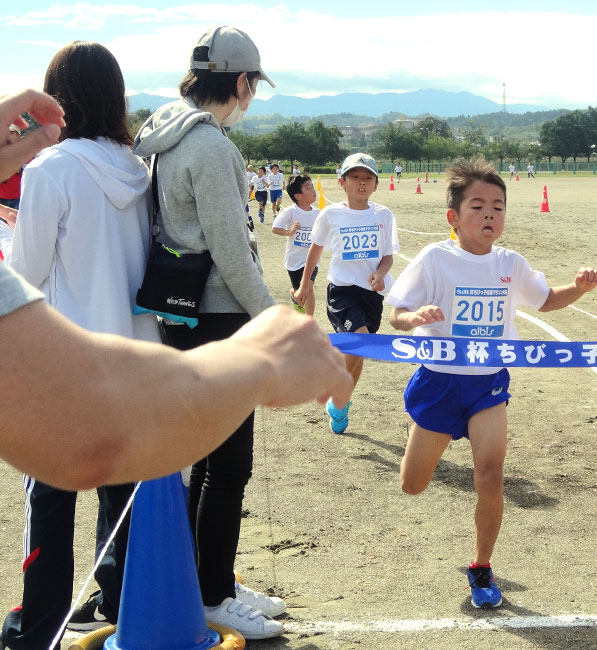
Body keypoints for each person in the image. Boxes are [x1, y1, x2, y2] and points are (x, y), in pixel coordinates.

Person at [0, 89, 354, 489]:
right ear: (242, 83)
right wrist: (264, 357)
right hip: (148, 325)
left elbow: (28, 267)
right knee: (206, 475)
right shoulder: (139, 163)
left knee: (179, 474)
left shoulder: (122, 157)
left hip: (139, 318)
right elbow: (88, 450)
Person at [387, 157, 597, 609]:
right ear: (453, 217)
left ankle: (481, 566)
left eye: (498, 207)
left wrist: (578, 288)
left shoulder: (510, 264)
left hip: (487, 386)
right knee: (413, 484)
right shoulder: (435, 259)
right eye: (478, 206)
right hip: (439, 384)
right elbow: (396, 314)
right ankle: (420, 434)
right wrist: (416, 316)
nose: (490, 215)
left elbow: (546, 301)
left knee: (490, 474)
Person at [131, 25, 286, 640]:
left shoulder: (166, 134)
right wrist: (273, 319)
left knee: (211, 460)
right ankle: (214, 592)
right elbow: (231, 248)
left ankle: (209, 575)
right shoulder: (213, 148)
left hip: (183, 311)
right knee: (229, 464)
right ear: (242, 83)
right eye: (252, 86)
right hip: (221, 317)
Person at [1, 41, 155, 647]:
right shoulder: (139, 168)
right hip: (135, 359)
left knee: (50, 500)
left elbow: (26, 275)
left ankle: (39, 624)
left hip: (65, 363)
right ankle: (115, 603)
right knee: (120, 496)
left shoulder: (50, 169)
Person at [293, 153, 398, 434]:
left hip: (371, 294)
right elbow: (315, 249)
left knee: (359, 352)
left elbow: (387, 256)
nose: (361, 183)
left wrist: (381, 273)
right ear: (342, 182)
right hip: (341, 291)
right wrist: (305, 284)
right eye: (355, 177)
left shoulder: (384, 215)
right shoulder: (331, 215)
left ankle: (341, 401)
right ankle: (334, 385)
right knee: (361, 340)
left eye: (367, 178)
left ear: (376, 184)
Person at [272, 173, 318, 311]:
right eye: (308, 188)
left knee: (308, 287)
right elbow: (275, 228)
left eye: (312, 186)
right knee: (299, 293)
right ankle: (294, 295)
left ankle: (309, 323)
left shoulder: (318, 213)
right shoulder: (291, 212)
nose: (313, 190)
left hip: (311, 259)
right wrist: (289, 232)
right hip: (294, 260)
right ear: (298, 196)